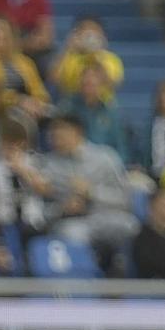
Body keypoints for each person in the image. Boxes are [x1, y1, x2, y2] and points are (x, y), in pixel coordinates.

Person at [40, 112, 140, 272]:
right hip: (74, 222)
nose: (55, 137)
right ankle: (86, 281)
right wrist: (63, 209)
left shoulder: (106, 157)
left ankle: (124, 274)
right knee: (70, 234)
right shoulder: (48, 165)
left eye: (61, 132)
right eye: (52, 133)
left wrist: (92, 192)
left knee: (131, 226)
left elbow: (125, 199)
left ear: (78, 132)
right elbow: (42, 212)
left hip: (107, 216)